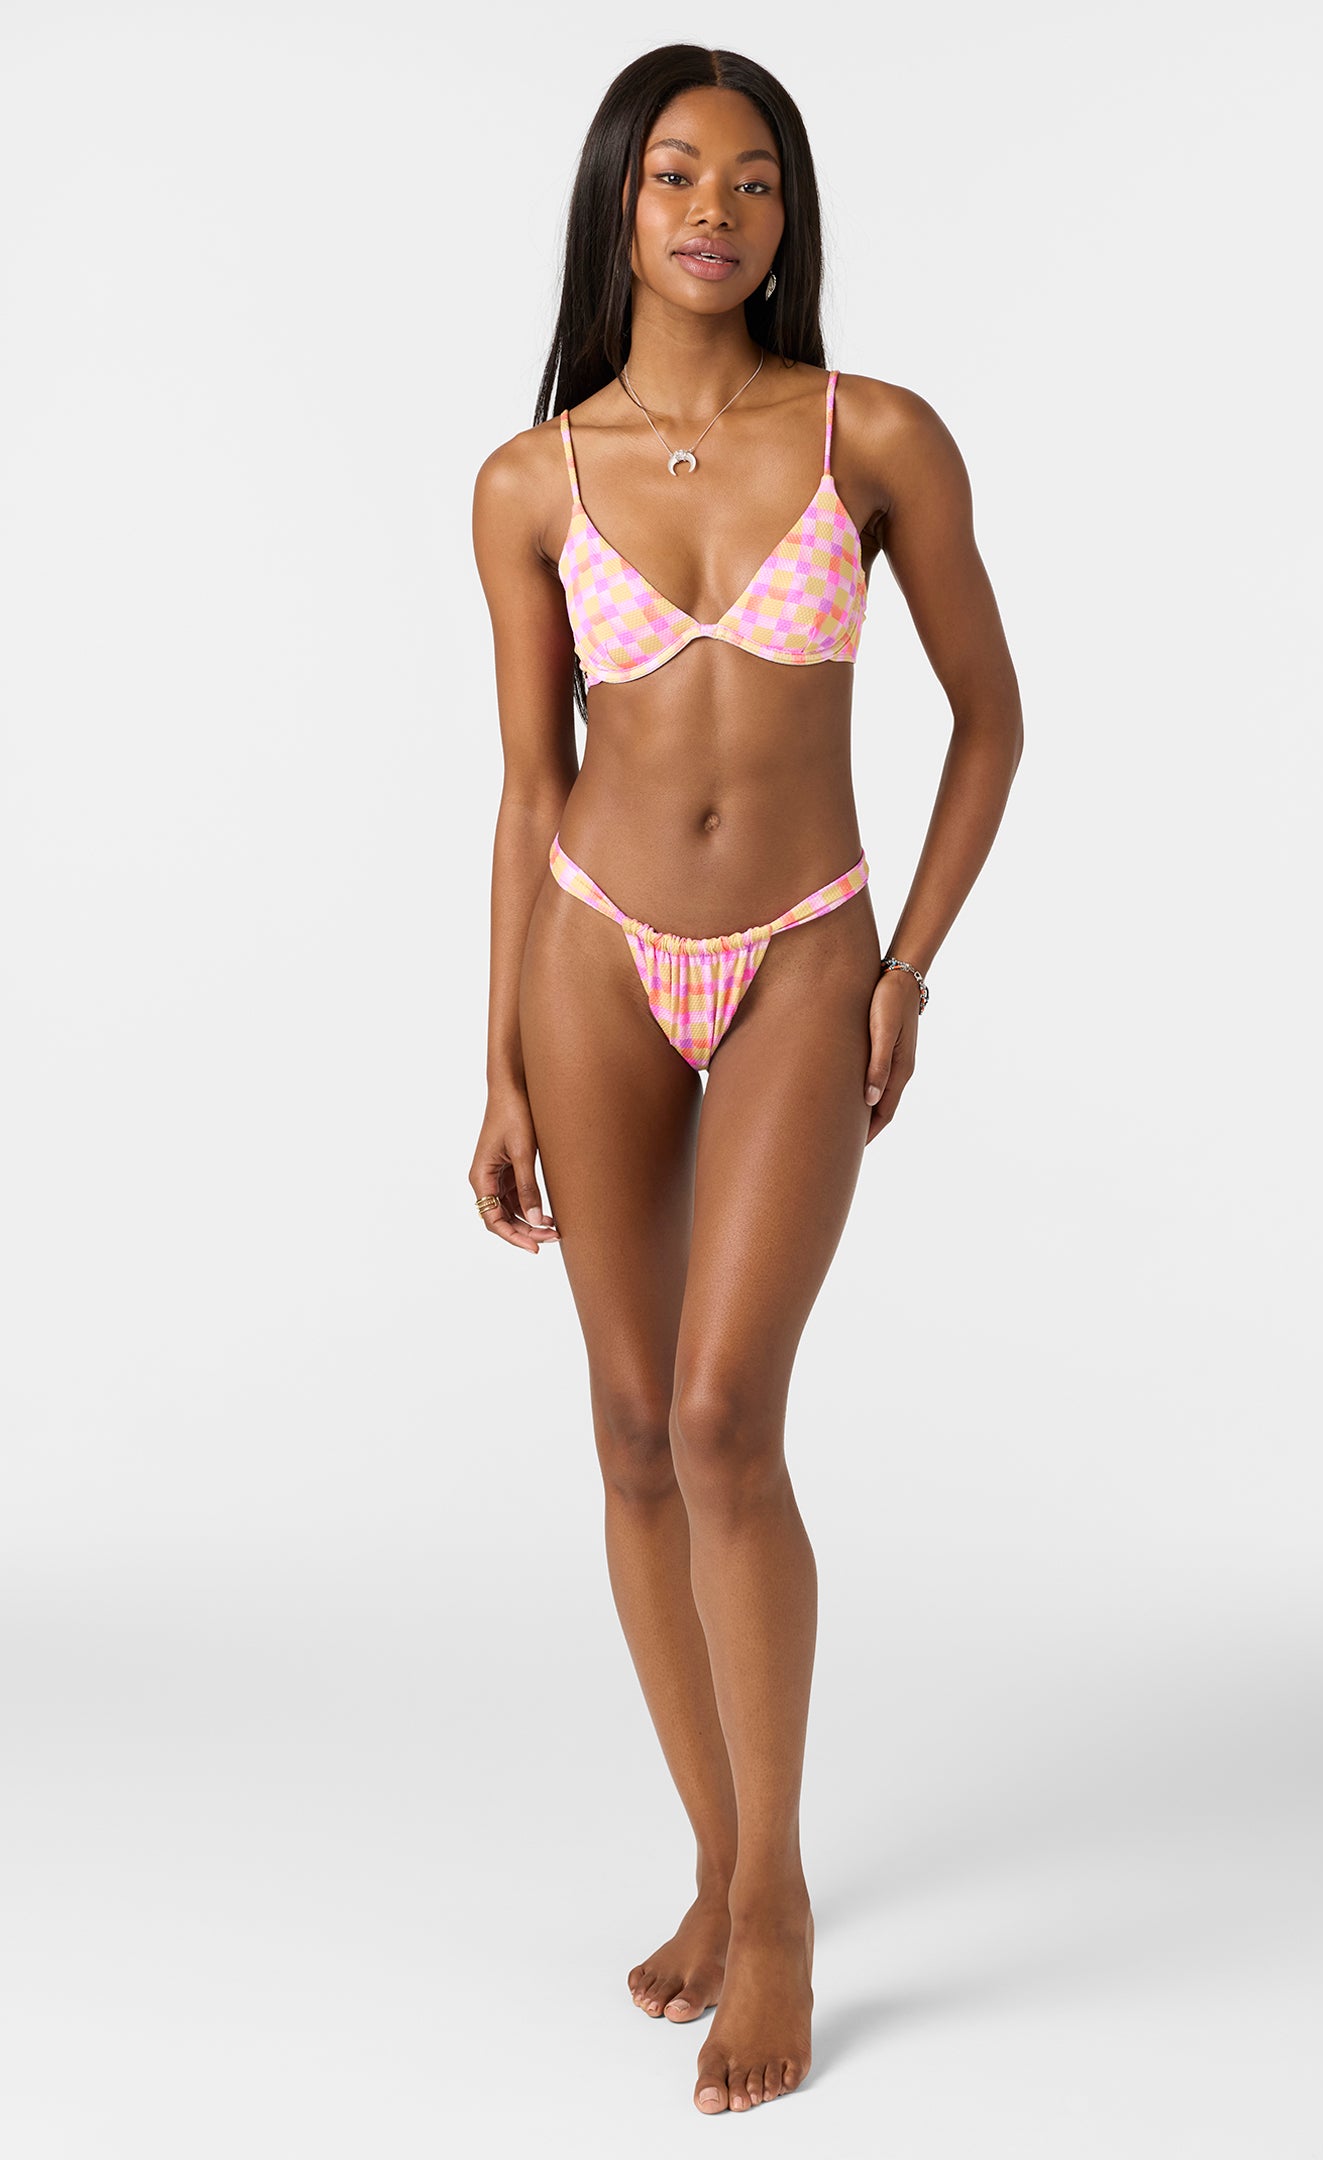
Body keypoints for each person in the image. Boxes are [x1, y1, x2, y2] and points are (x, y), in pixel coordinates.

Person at [467, 43, 1023, 2116]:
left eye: (757, 179)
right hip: (592, 957)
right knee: (629, 1428)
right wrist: (496, 1062)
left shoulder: (875, 437)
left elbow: (993, 721)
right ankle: (712, 1861)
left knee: (722, 1417)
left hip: (803, 948)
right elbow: (531, 789)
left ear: (790, 219)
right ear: (618, 204)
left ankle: (775, 1903)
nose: (718, 210)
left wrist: (907, 972)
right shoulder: (530, 481)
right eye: (679, 175)